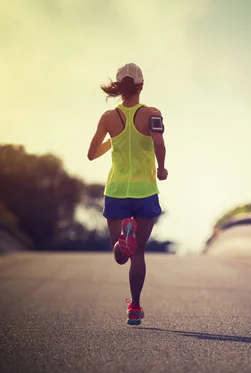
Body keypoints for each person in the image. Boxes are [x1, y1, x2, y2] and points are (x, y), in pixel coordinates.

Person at [87, 62, 168, 326]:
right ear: (141, 85)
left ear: (119, 88)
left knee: (121, 257)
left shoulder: (108, 118)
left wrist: (115, 139)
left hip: (117, 191)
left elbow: (91, 154)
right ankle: (135, 307)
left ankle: (123, 241)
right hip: (145, 190)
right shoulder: (153, 113)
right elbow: (158, 142)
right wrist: (163, 168)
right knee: (139, 254)